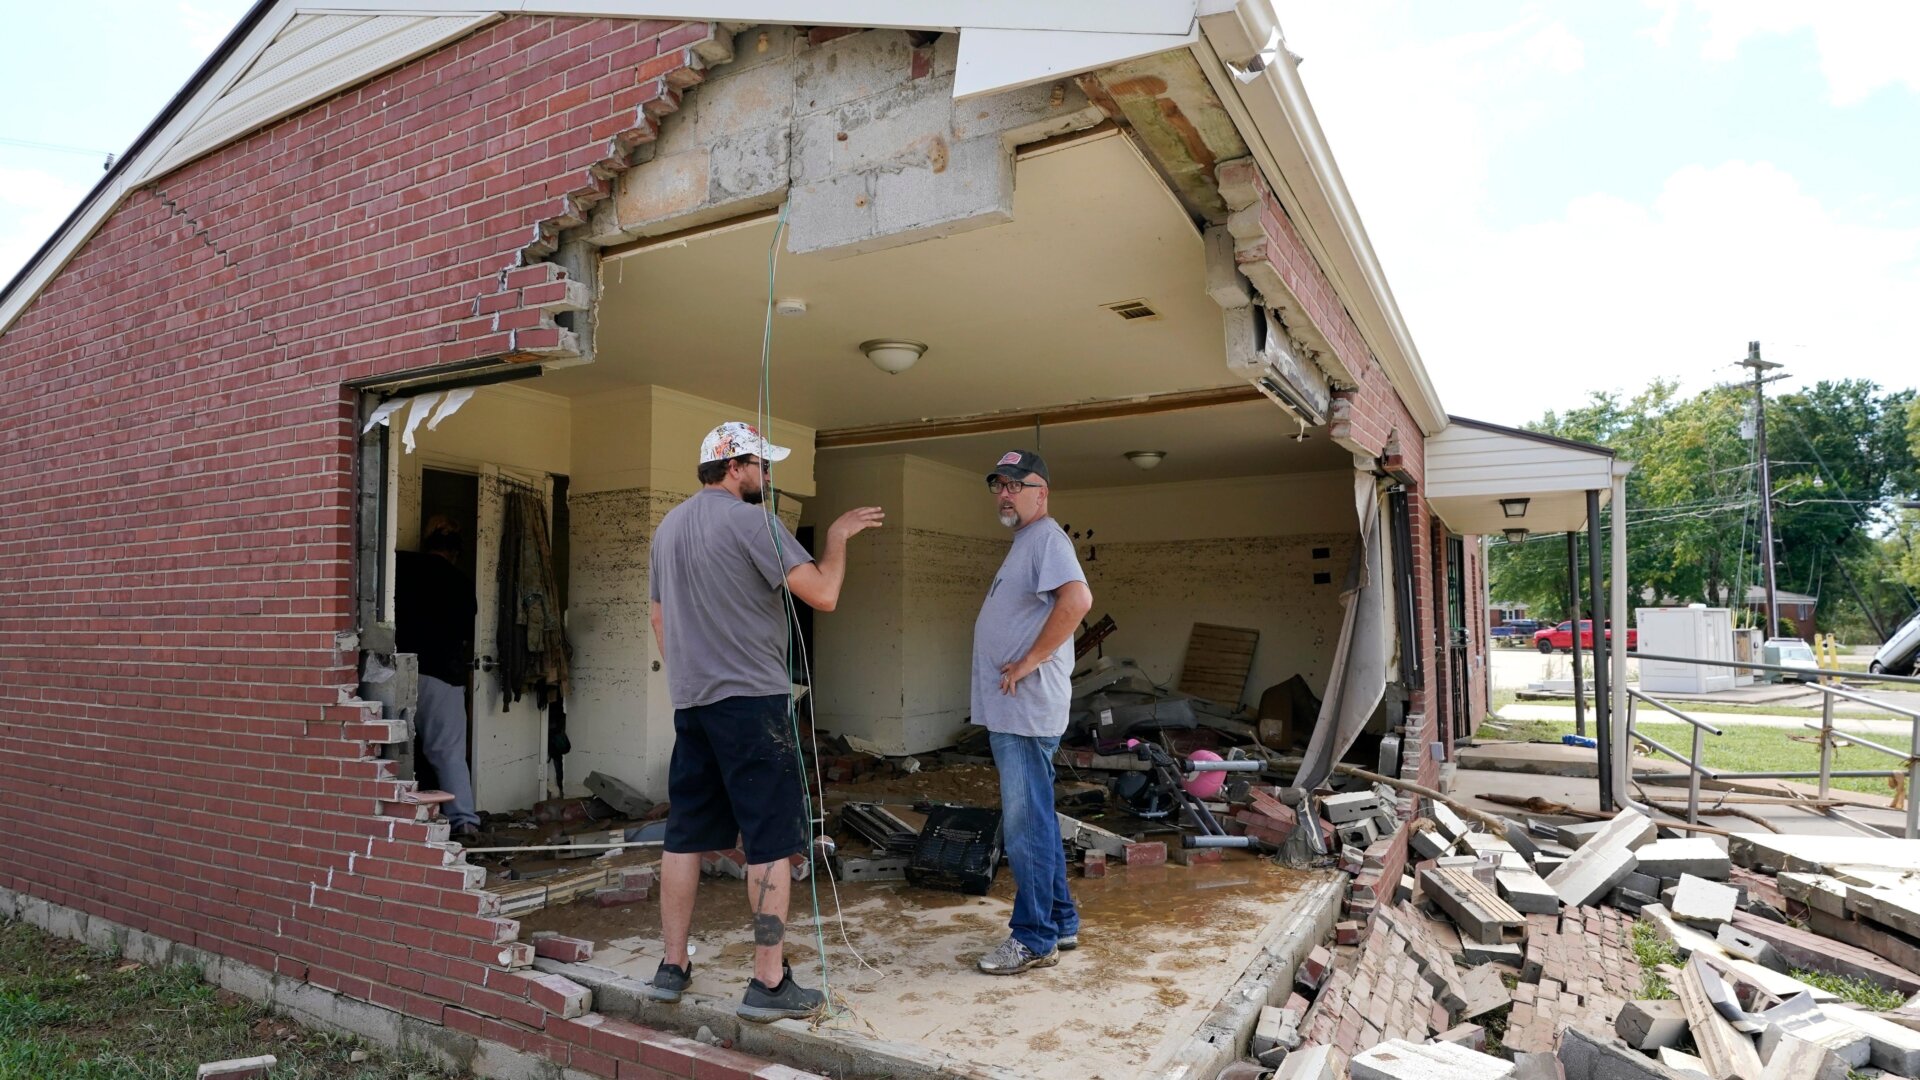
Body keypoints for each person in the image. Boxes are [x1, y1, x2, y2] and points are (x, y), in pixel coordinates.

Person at [645, 421, 884, 1022]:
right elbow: (823, 594)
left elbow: (657, 618)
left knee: (685, 837)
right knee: (771, 843)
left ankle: (671, 967)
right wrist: (836, 536)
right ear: (734, 467)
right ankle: (768, 983)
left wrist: (691, 677)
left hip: (692, 704)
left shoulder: (668, 527)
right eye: (762, 465)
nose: (768, 476)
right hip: (752, 705)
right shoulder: (754, 522)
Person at [970, 450, 1093, 975]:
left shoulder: (1046, 539)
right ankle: (1060, 922)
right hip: (1015, 711)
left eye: (1016, 485)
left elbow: (1078, 600)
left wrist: (1030, 660)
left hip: (1025, 712)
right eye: (999, 484)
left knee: (1026, 829)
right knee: (1038, 820)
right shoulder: (1026, 542)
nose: (1005, 493)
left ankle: (1033, 937)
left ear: (1042, 493)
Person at [394, 517, 482, 840]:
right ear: (456, 552)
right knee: (447, 752)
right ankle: (464, 822)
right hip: (444, 676)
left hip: (400, 670)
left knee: (397, 749)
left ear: (426, 542)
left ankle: (403, 818)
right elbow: (466, 636)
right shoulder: (461, 583)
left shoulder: (401, 566)